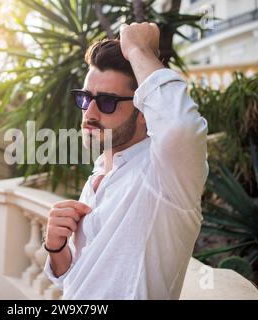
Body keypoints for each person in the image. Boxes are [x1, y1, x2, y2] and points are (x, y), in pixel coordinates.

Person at [43, 22, 209, 299]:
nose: (90, 112)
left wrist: (136, 47)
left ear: (143, 107)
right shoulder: (101, 170)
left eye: (107, 101)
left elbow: (180, 126)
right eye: (85, 98)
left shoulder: (164, 175)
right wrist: (56, 248)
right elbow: (79, 281)